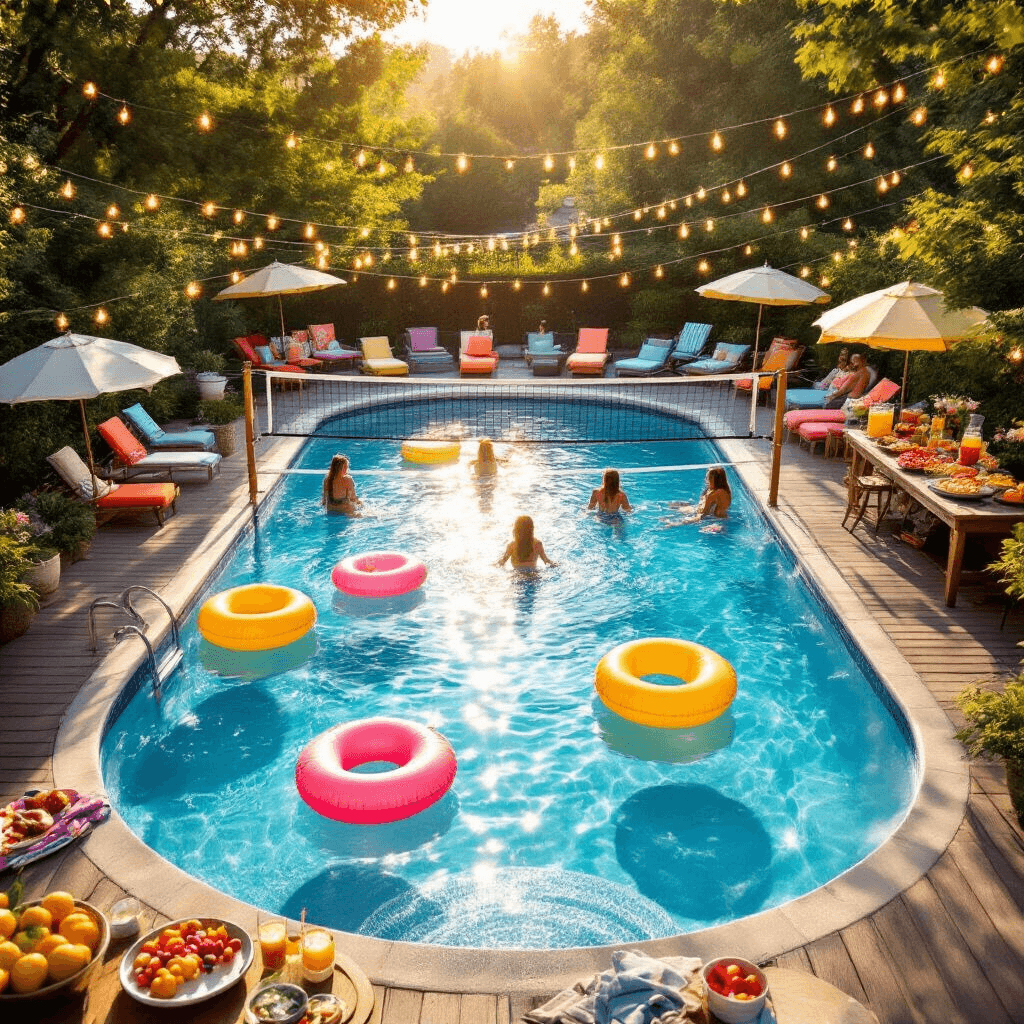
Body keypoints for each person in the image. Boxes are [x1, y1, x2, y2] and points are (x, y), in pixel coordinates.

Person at [663, 466, 731, 526]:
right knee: (674, 506)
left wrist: (680, 523)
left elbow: (703, 514)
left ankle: (673, 523)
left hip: (714, 519)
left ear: (714, 480)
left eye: (708, 478)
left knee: (675, 514)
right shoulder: (720, 490)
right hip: (709, 514)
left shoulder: (715, 494)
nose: (706, 480)